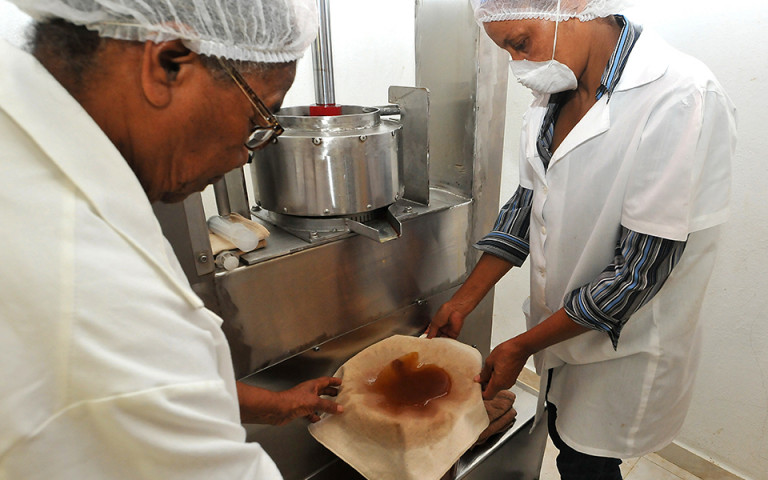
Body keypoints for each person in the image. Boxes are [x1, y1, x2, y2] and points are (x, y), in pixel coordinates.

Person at [0, 1, 343, 478]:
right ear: (168, 62)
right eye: (256, 121)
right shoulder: (93, 290)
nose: (244, 157)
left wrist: (275, 406)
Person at [427, 0, 737, 478]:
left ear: (570, 5)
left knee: (587, 461)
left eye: (521, 43)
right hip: (562, 328)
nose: (519, 66)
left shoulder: (681, 96)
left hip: (624, 348)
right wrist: (463, 300)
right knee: (563, 433)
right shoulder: (555, 93)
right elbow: (526, 208)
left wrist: (520, 346)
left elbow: (635, 275)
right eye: (508, 52)